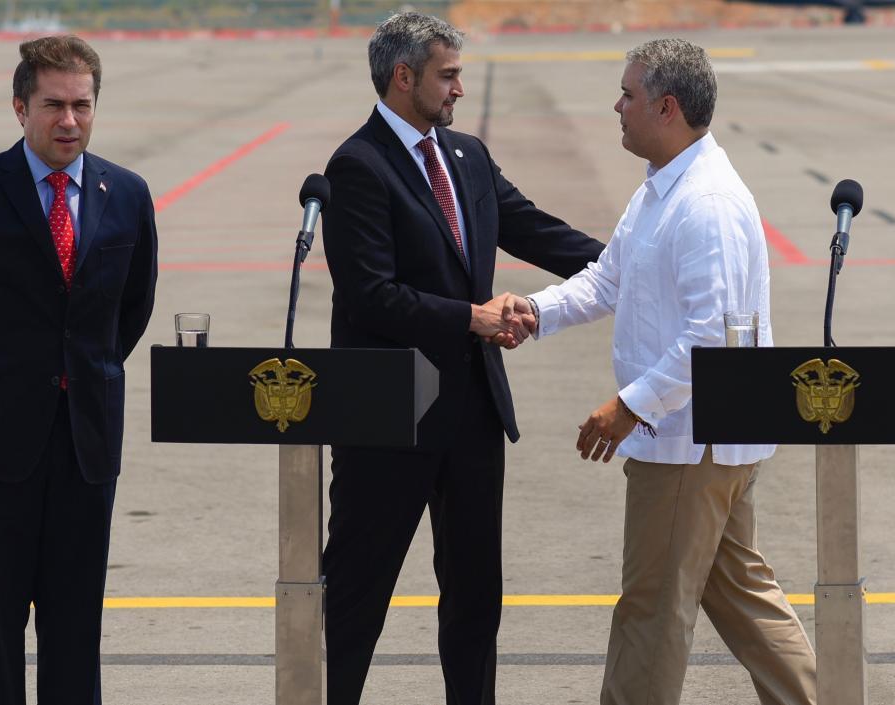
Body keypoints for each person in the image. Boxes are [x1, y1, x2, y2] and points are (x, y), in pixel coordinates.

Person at [501, 38, 818, 705]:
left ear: (666, 106)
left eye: (628, 94)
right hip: (695, 440)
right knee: (742, 599)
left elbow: (715, 338)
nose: (617, 106)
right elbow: (607, 278)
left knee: (650, 611)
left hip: (687, 443)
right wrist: (535, 311)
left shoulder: (706, 204)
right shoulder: (661, 190)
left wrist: (631, 404)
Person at [319, 12, 605, 705]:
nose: (459, 90)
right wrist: (469, 317)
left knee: (476, 597)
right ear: (404, 76)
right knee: (357, 594)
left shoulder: (466, 156)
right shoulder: (357, 166)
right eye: (448, 76)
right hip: (389, 414)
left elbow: (533, 227)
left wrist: (629, 262)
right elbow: (371, 295)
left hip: (472, 414)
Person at [0, 35, 158, 705]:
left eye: (82, 105)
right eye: (54, 105)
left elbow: (130, 311)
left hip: (86, 440)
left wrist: (79, 374)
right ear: (20, 107)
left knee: (77, 622)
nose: (69, 121)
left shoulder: (127, 194)